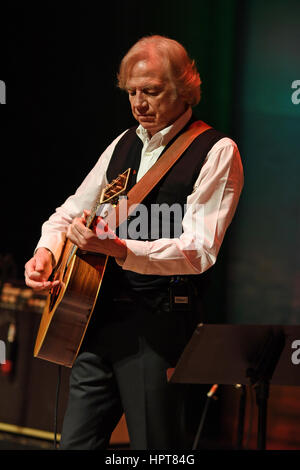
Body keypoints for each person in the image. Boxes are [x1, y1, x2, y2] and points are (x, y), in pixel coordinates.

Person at [24, 35, 244, 450]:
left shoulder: (215, 151)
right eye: (132, 93)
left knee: (157, 450)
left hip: (157, 326)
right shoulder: (123, 143)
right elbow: (70, 212)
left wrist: (121, 250)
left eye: (152, 91)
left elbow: (199, 250)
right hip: (96, 319)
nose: (139, 103)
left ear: (183, 89)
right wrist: (46, 252)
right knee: (74, 444)